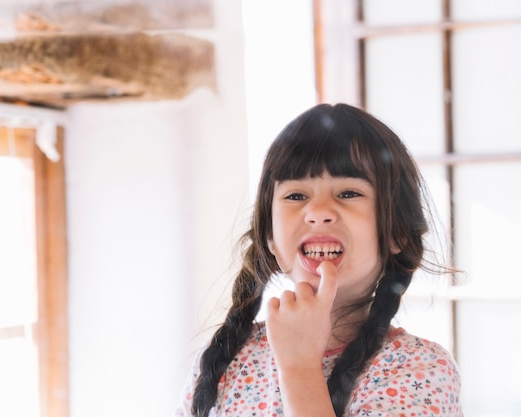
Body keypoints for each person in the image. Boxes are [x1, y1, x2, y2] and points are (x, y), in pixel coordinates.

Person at [175, 103, 463, 417]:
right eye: (296, 196)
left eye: (349, 193)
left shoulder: (420, 368)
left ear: (397, 233)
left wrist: (300, 369)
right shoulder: (222, 360)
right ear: (269, 235)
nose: (318, 213)